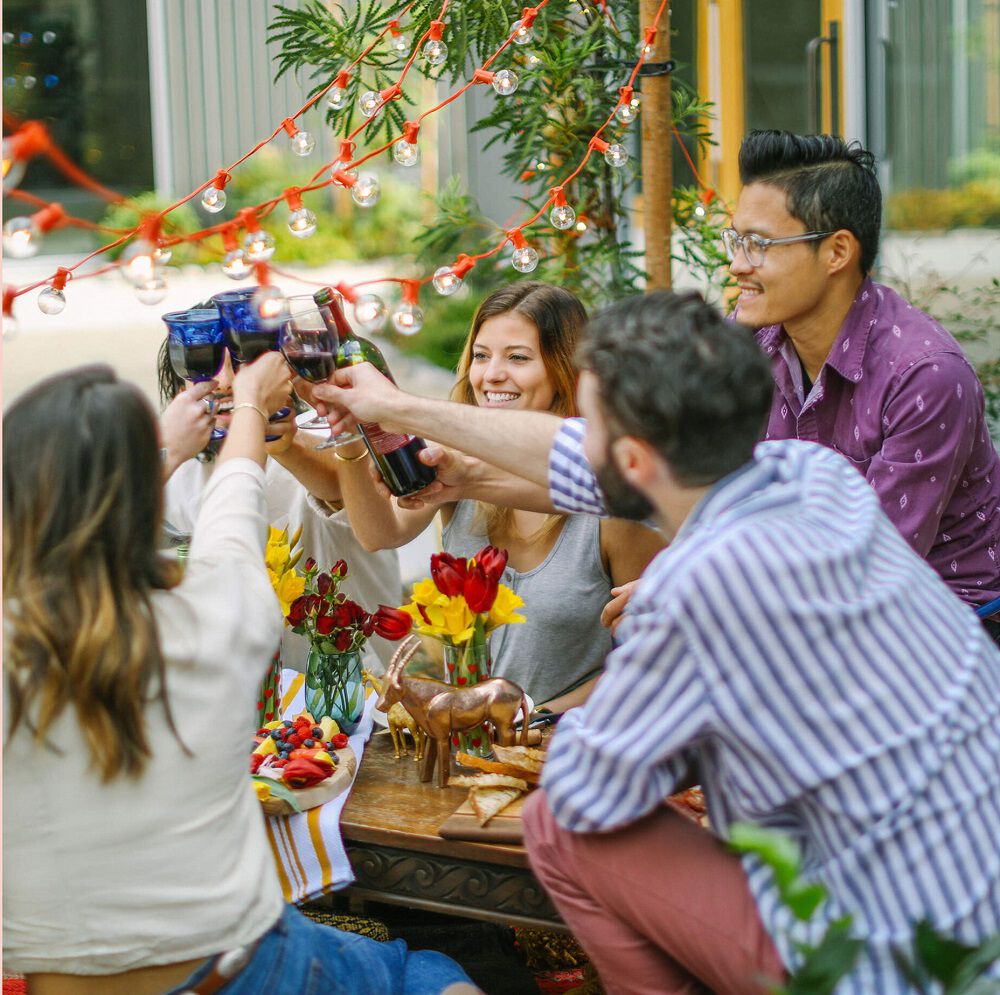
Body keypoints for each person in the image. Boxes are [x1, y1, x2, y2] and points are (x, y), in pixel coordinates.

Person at [315, 292, 1000, 994]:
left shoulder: (689, 596)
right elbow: (589, 463)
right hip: (977, 893)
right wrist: (419, 427)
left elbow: (591, 793)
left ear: (633, 454)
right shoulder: (811, 475)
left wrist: (558, 719)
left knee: (561, 821)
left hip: (891, 960)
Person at [2, 361, 479, 995]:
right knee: (427, 971)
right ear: (143, 496)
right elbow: (237, 500)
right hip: (242, 972)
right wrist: (248, 404)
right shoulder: (222, 606)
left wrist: (167, 449)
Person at [329, 282, 664, 711]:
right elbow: (379, 532)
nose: (491, 375)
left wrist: (530, 719)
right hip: (461, 744)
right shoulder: (454, 461)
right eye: (482, 356)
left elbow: (648, 660)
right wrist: (350, 440)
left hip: (565, 745)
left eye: (518, 358)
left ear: (567, 370)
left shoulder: (610, 501)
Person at [726, 129, 1000, 614]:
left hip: (943, 626)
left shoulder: (925, 375)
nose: (736, 264)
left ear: (837, 252)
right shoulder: (747, 341)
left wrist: (704, 588)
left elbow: (869, 566)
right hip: (799, 608)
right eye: (736, 239)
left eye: (758, 245)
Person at [158, 340, 403, 672]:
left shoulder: (327, 431)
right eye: (206, 366)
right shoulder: (173, 473)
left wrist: (282, 442)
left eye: (246, 366)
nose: (228, 383)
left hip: (359, 702)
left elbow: (340, 485)